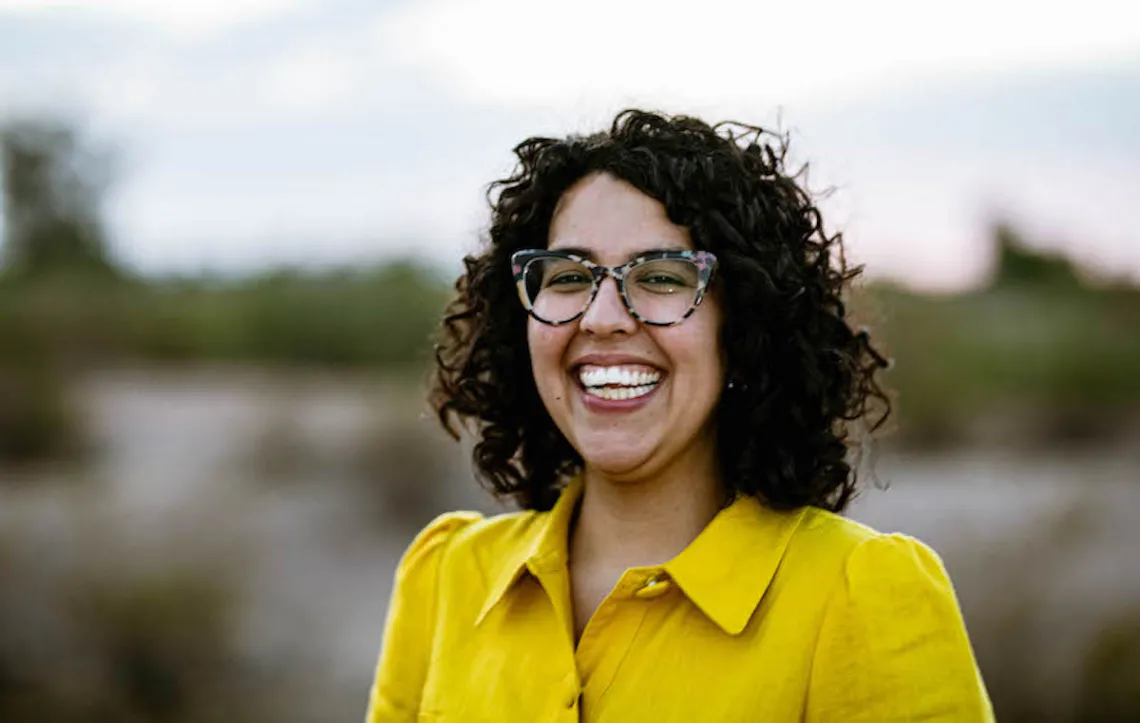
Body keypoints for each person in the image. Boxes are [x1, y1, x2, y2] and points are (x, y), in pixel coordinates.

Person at [364, 109, 994, 721]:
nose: (603, 317)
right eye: (567, 274)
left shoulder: (862, 592)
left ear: (743, 321)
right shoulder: (445, 574)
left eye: (661, 277)